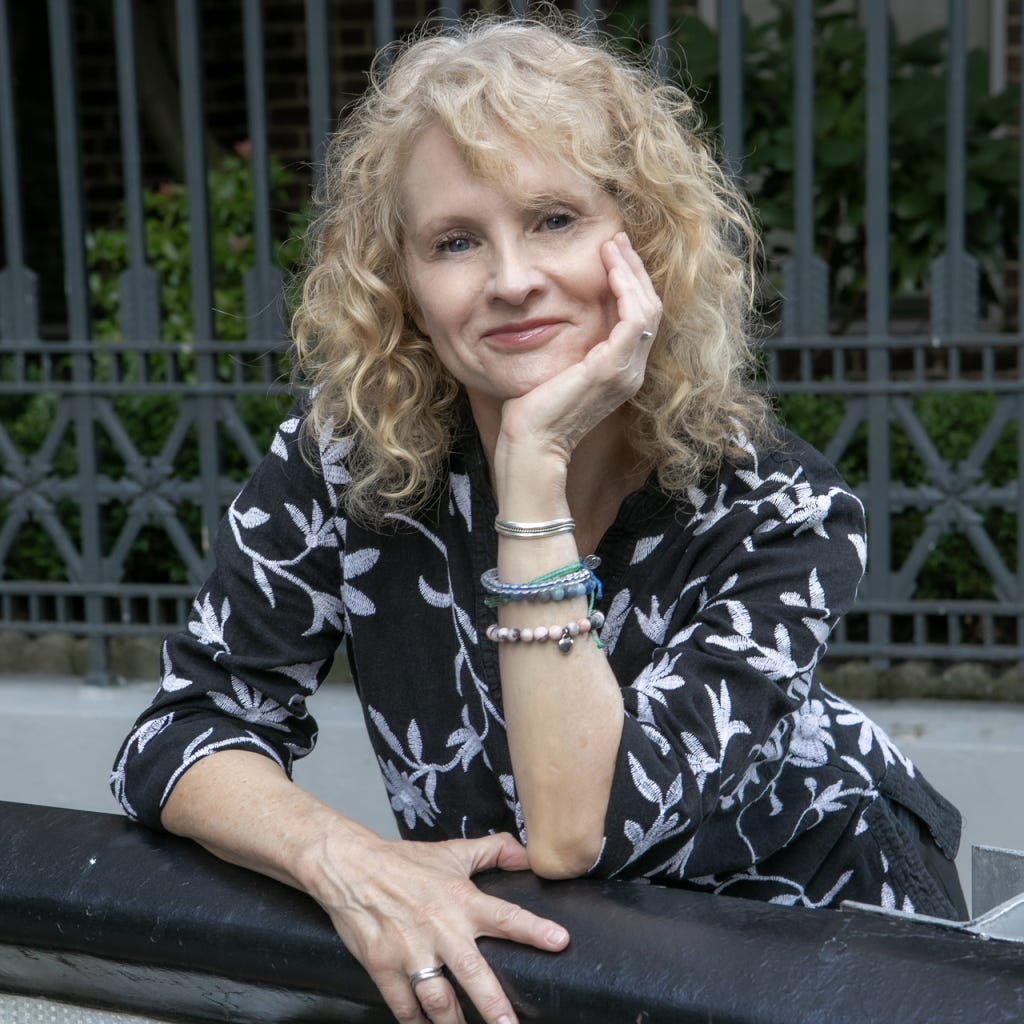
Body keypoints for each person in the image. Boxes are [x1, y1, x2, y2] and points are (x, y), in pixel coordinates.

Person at [111, 11, 968, 1024]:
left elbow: (580, 831)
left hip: (823, 959)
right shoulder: (348, 459)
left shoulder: (784, 512)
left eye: (555, 219)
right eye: (455, 241)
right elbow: (181, 734)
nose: (512, 280)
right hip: (542, 973)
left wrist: (531, 466)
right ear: (404, 286)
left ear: (642, 242)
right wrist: (350, 864)